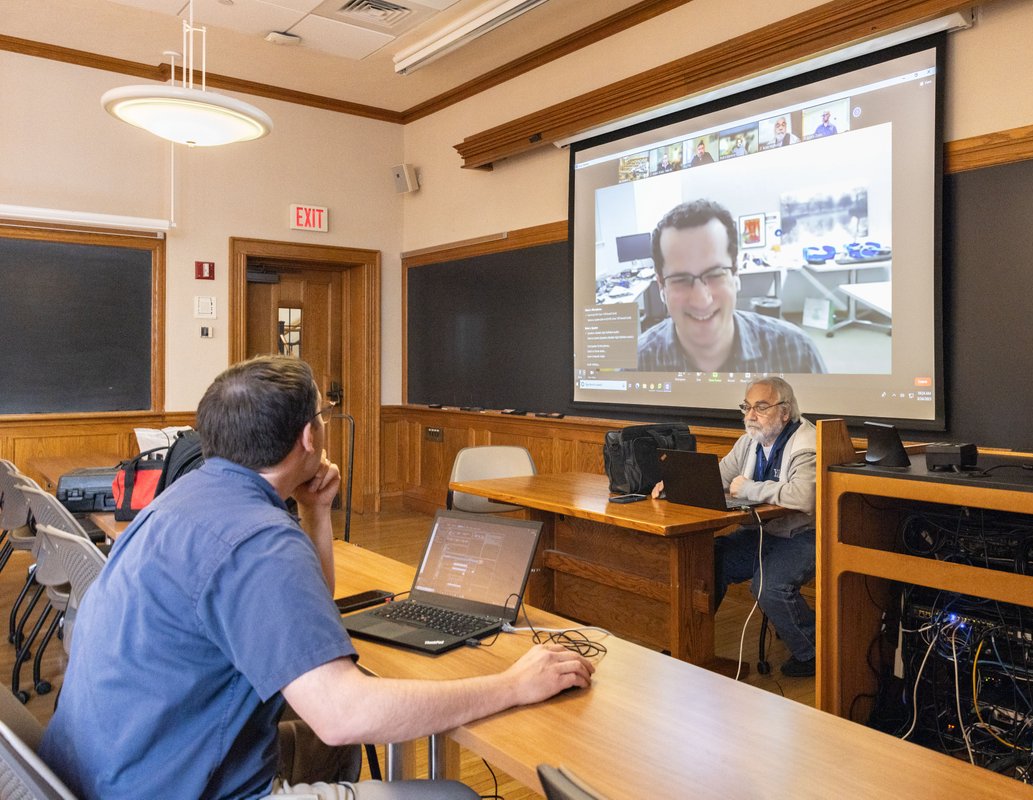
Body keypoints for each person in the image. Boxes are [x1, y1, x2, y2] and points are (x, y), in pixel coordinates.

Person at [39, 356, 595, 800]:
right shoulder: (259, 540)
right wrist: (512, 685)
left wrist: (316, 513)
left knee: (327, 750)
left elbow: (308, 617)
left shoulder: (185, 497)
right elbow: (343, 712)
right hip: (167, 787)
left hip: (103, 770)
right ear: (309, 437)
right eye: (323, 416)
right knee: (450, 794)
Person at [655, 377, 817, 677]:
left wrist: (750, 489)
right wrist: (674, 483)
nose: (751, 415)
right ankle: (689, 644)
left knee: (768, 586)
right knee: (705, 561)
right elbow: (718, 477)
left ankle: (812, 652)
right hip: (763, 532)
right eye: (747, 407)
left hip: (804, 535)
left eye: (761, 407)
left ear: (785, 411)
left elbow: (803, 497)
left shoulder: (807, 444)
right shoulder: (750, 441)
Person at [637, 199, 828, 373]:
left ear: (736, 273)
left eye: (715, 274)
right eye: (680, 279)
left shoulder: (798, 354)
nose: (701, 300)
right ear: (661, 286)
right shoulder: (636, 366)